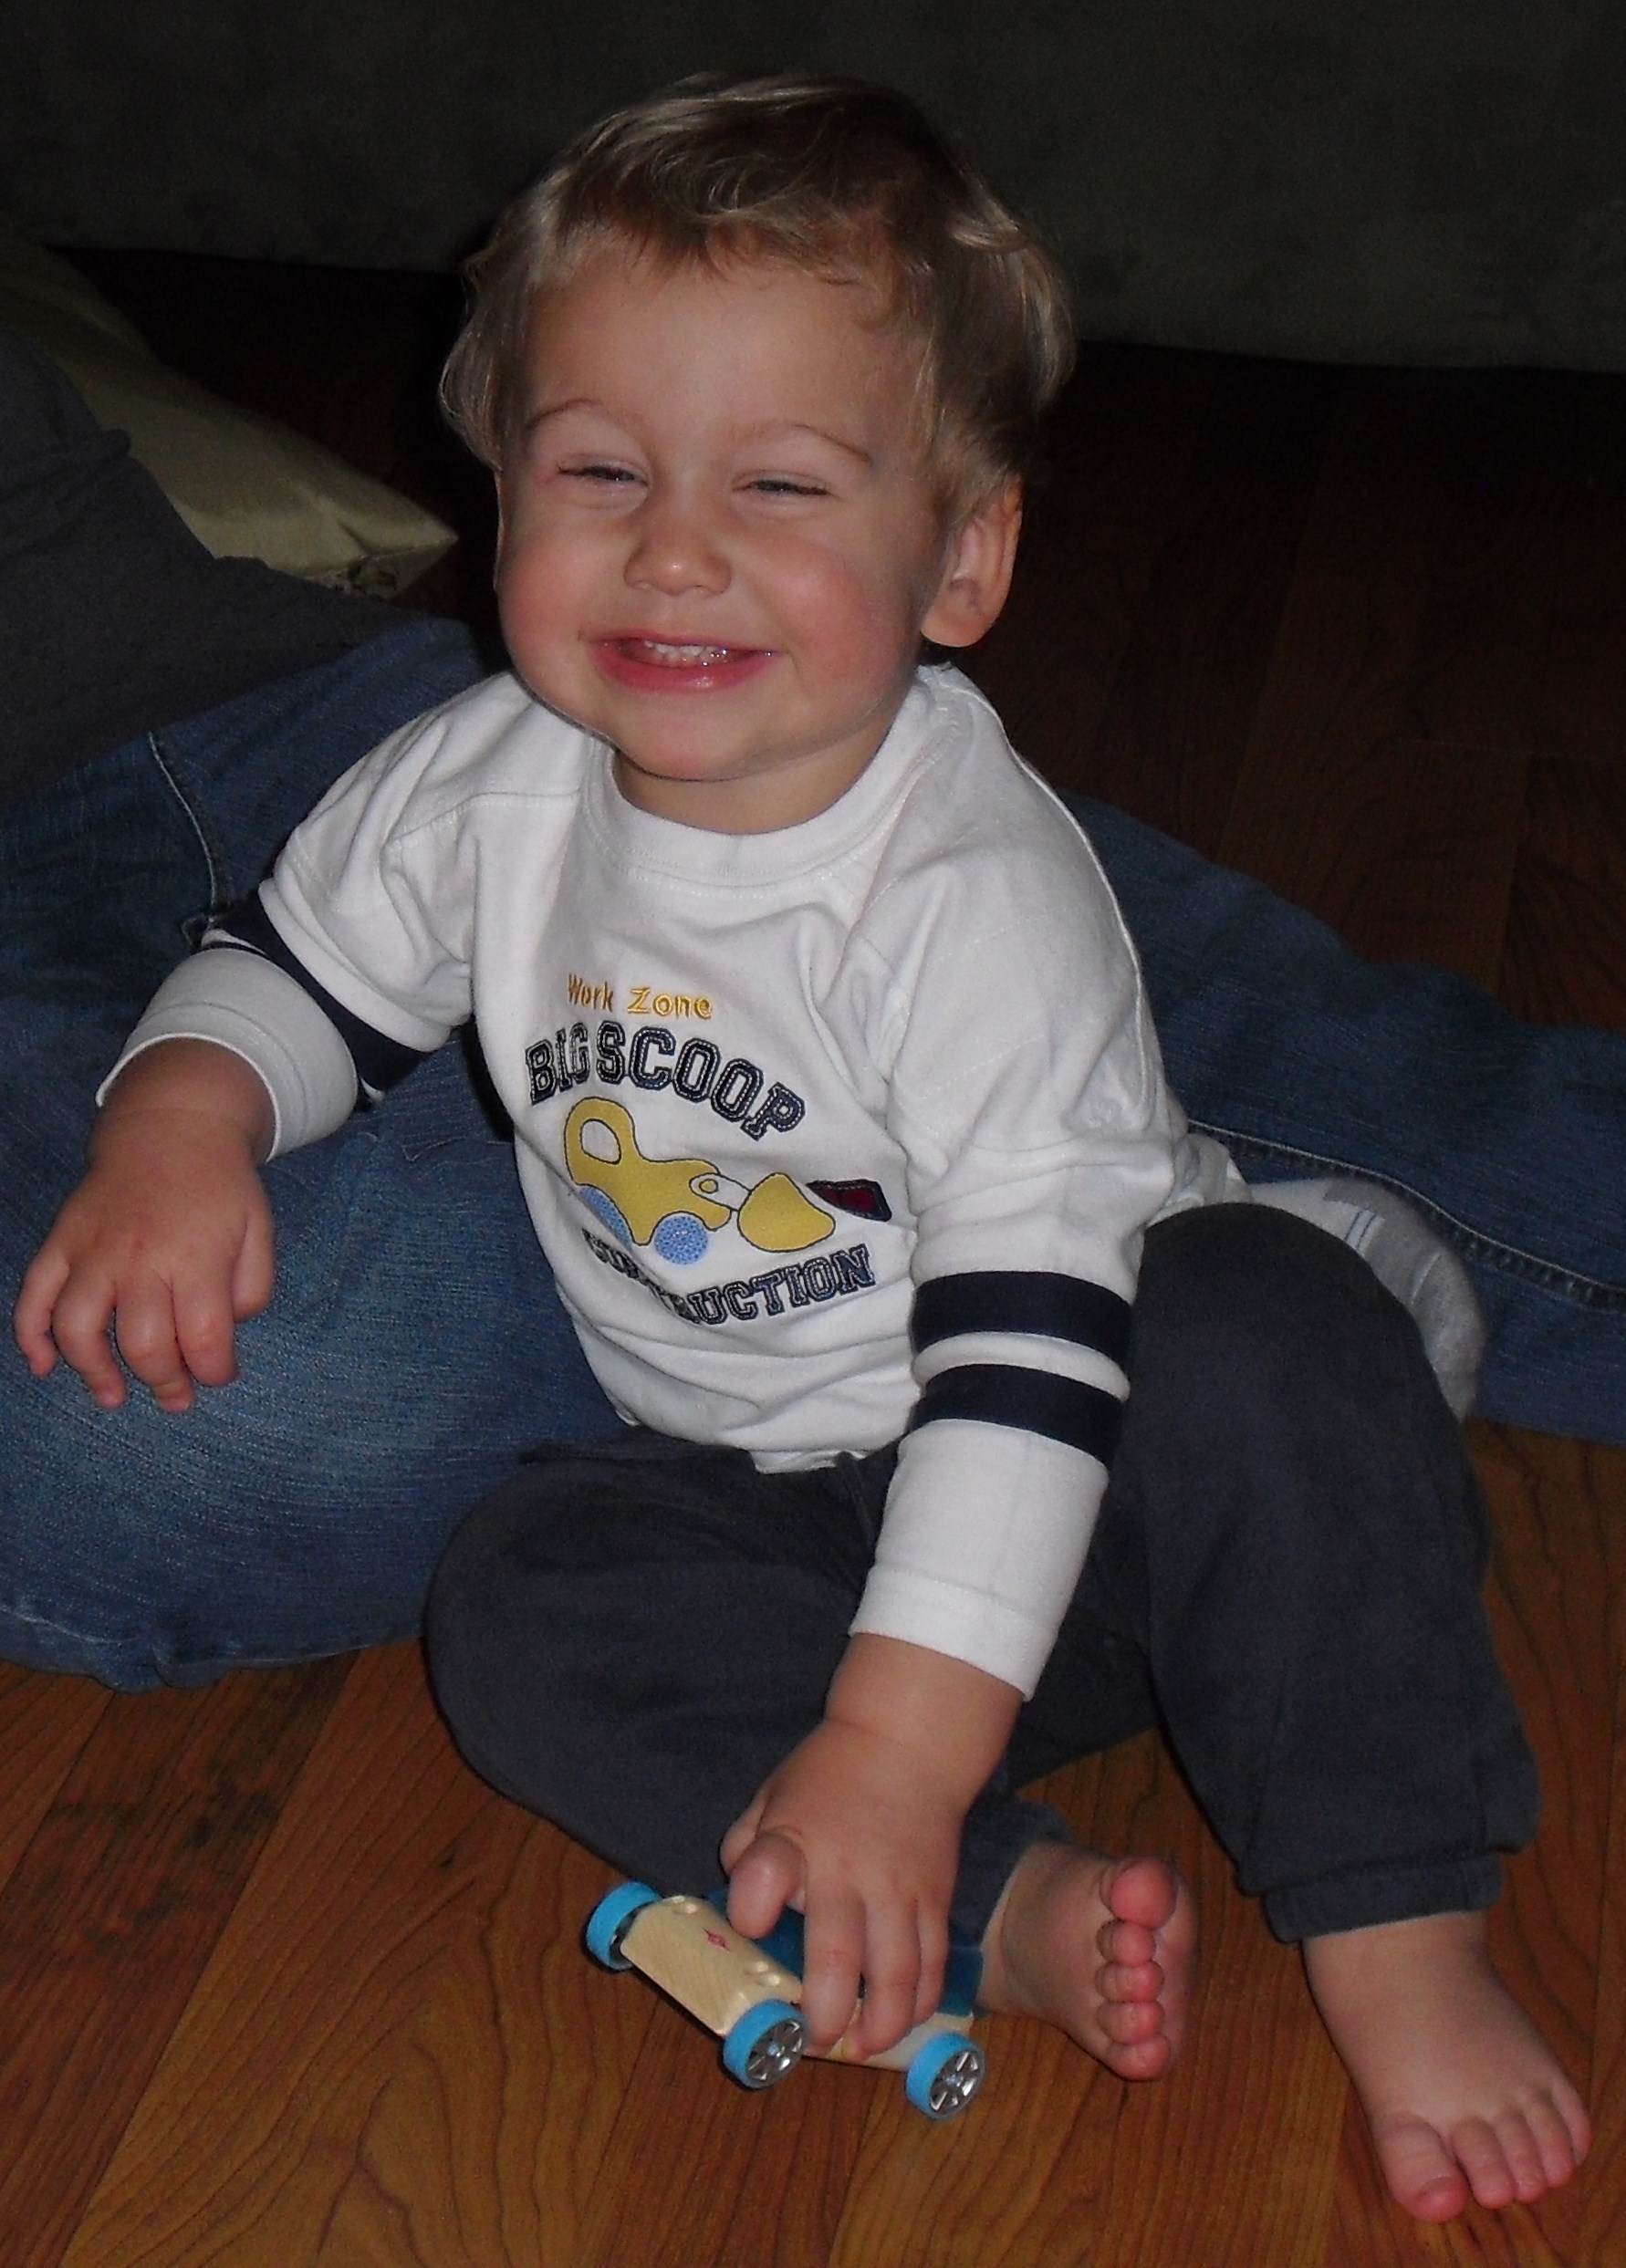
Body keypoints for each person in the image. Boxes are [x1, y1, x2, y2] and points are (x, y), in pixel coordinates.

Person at [13, 77, 1594, 2222]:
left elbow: (1031, 1355)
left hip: (1107, 1470)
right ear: (502, 493)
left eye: (776, 484)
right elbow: (298, 959)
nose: (674, 549)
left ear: (964, 559)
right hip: (770, 1494)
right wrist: (185, 1114)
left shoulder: (967, 893)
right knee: (523, 1601)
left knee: (1270, 1328)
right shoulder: (490, 780)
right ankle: (995, 1913)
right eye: (598, 472)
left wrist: (899, 1744)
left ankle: (1400, 1926)